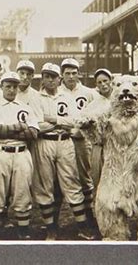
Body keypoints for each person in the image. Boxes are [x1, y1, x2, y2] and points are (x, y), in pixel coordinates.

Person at [33, 63, 94, 240]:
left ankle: (82, 227)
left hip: (66, 142)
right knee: (46, 185)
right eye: (47, 76)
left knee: (72, 182)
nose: (50, 80)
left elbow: (75, 120)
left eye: (53, 76)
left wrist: (52, 120)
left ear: (59, 78)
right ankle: (51, 228)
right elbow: (37, 125)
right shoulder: (36, 98)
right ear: (42, 78)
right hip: (44, 143)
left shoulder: (66, 96)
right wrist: (61, 122)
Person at [0, 72, 39, 240]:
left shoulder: (25, 107)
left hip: (21, 154)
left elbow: (34, 133)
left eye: (15, 86)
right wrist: (20, 126)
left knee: (23, 194)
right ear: (1, 87)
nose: (12, 89)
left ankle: (23, 233)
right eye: (8, 86)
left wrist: (8, 130)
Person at [59, 58, 96, 226]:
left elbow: (94, 117)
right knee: (60, 177)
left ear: (78, 73)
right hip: (64, 139)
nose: (71, 76)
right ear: (62, 75)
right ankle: (56, 219)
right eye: (67, 73)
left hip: (82, 140)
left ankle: (89, 215)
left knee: (85, 175)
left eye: (74, 73)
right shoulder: (57, 92)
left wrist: (82, 131)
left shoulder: (88, 93)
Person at [81, 68, 113, 190]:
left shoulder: (119, 99)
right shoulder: (94, 104)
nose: (103, 84)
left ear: (111, 81)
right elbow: (83, 120)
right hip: (101, 145)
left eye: (105, 81)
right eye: (99, 82)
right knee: (99, 179)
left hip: (119, 145)